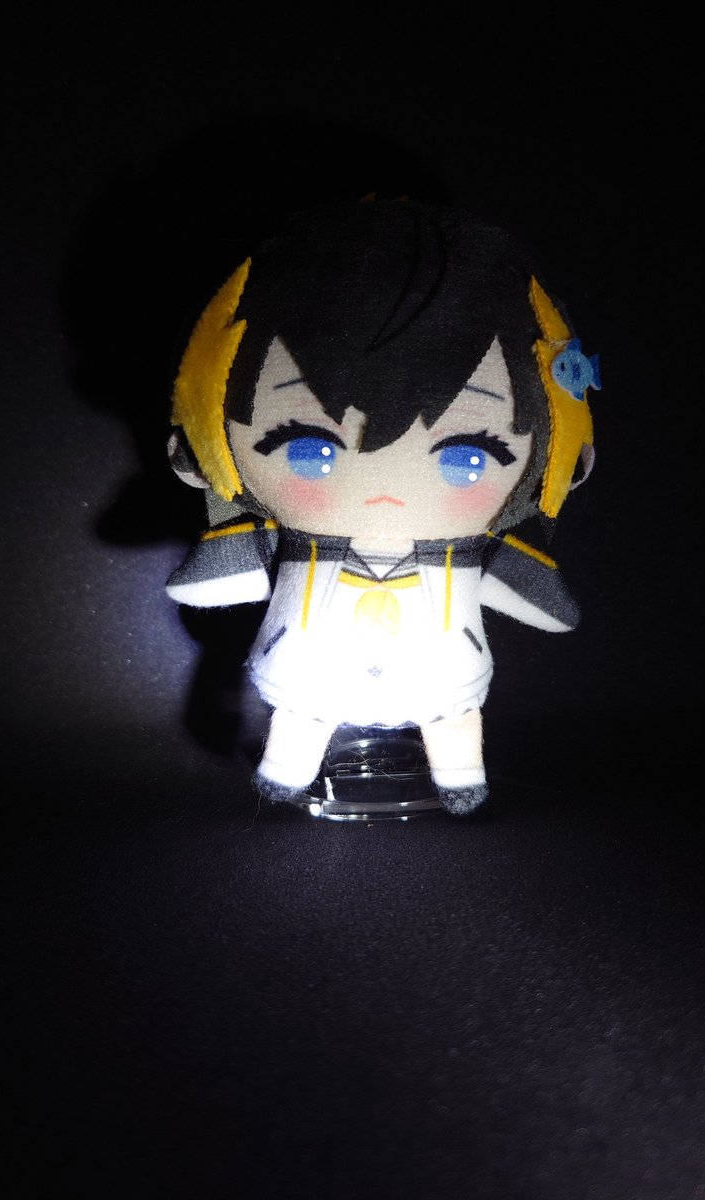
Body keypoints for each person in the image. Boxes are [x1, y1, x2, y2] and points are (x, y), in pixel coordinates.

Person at [165, 198, 599, 816]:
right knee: (303, 713)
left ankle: (458, 774)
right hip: (313, 674)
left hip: (442, 675)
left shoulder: (471, 548)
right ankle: (289, 768)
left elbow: (531, 589)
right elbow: (225, 566)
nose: (383, 489)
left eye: (467, 456)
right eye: (309, 449)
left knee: (451, 714)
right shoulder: (292, 538)